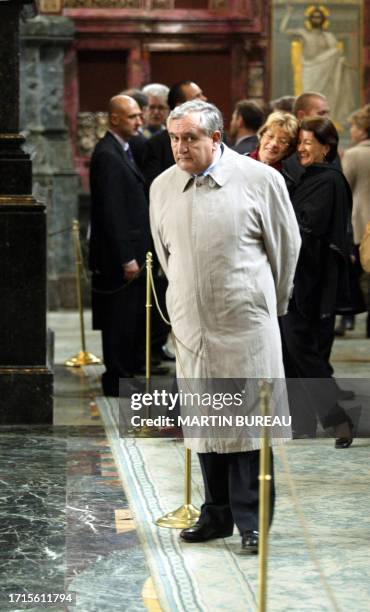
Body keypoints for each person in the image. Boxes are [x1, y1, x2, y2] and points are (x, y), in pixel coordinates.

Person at [150, 100, 301, 553]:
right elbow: (165, 253)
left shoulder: (260, 180)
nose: (180, 147)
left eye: (190, 138)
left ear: (216, 138)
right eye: (174, 138)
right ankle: (215, 516)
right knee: (206, 423)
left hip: (246, 325)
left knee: (251, 425)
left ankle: (253, 523)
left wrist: (266, 304)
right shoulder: (162, 186)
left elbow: (285, 249)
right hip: (193, 329)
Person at [280, 117, 355, 447]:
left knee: (302, 348)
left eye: (309, 143)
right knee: (294, 350)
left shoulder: (328, 181)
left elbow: (308, 230)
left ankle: (338, 418)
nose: (302, 148)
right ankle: (303, 421)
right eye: (300, 142)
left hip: (311, 281)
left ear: (327, 147)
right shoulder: (310, 177)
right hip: (297, 278)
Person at [89, 94, 151, 396]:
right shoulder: (108, 155)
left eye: (139, 115)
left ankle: (125, 374)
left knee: (129, 319)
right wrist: (127, 258)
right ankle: (117, 378)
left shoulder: (122, 149)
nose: (140, 121)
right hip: (118, 258)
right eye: (133, 117)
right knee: (118, 319)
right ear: (115, 118)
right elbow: (111, 212)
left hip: (132, 252)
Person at [280, 4, 355, 124]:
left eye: (319, 17)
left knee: (325, 97)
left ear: (323, 20)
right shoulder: (304, 33)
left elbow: (336, 54)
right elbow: (283, 31)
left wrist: (341, 60)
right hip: (310, 70)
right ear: (310, 19)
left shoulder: (328, 36)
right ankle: (307, 121)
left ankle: (324, 122)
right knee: (308, 98)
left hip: (326, 71)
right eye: (314, 17)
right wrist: (288, 13)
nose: (316, 19)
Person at [143, 80, 207, 186]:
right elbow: (154, 186)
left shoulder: (213, 135)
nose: (204, 99)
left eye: (161, 107)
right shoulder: (156, 144)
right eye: (197, 96)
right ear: (181, 106)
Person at [341, 104, 370, 337]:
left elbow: (344, 188)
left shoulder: (353, 154)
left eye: (354, 127)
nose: (351, 131)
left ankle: (348, 317)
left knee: (352, 273)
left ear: (362, 130)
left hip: (360, 221)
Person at [247, 110, 299, 193]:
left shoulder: (286, 184)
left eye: (282, 141)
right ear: (261, 136)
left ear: (288, 150)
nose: (274, 143)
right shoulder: (238, 163)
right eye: (270, 136)